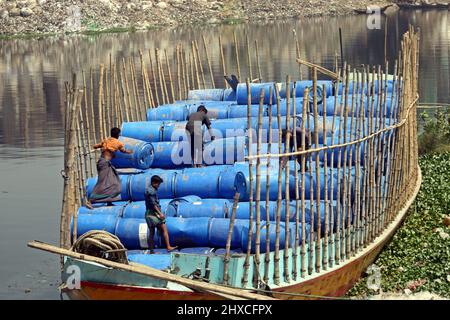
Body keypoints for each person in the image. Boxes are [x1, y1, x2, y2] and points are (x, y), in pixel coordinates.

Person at [86, 127, 132, 209]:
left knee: (114, 181)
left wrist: (96, 147)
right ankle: (90, 201)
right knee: (101, 183)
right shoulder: (118, 143)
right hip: (104, 164)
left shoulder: (106, 140)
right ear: (118, 135)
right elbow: (123, 150)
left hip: (103, 163)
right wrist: (129, 152)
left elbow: (96, 146)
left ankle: (109, 201)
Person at [145, 175, 177, 253]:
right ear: (153, 183)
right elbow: (153, 204)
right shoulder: (152, 191)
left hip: (148, 214)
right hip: (154, 214)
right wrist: (160, 214)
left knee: (152, 233)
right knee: (164, 229)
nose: (159, 186)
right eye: (158, 184)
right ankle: (168, 247)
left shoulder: (148, 190)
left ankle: (151, 251)